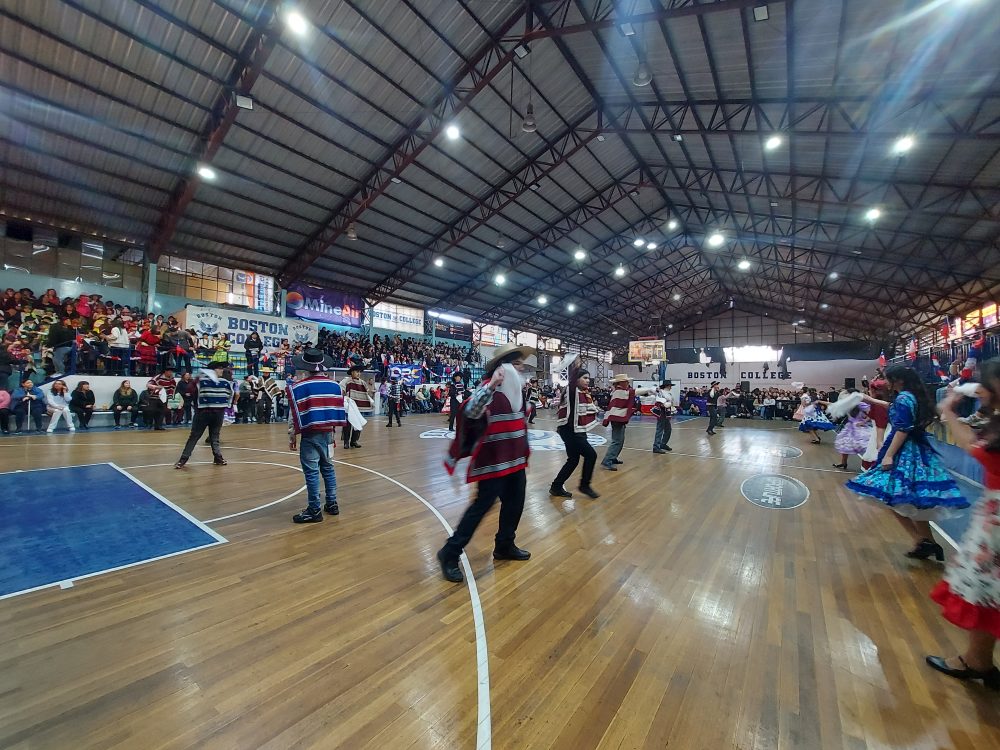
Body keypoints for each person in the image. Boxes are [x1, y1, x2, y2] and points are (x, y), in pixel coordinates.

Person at [927, 360, 1000, 689]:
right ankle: (978, 660)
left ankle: (976, 661)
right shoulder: (994, 417)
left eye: (987, 384)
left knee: (986, 588)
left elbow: (977, 449)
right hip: (992, 516)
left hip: (995, 523)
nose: (981, 390)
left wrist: (949, 411)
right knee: (988, 592)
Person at [846, 365, 969, 559]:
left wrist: (889, 455)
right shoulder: (909, 396)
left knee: (894, 498)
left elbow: (902, 428)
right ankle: (927, 542)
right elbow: (894, 409)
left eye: (887, 379)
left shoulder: (904, 398)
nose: (884, 382)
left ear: (898, 380)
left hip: (905, 451)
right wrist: (869, 399)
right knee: (913, 501)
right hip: (915, 449)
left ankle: (921, 540)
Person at [438, 342, 533, 582]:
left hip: (514, 460)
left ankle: (504, 545)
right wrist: (492, 385)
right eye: (517, 365)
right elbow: (470, 411)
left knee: (515, 503)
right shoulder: (487, 389)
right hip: (492, 462)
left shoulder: (516, 393)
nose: (521, 370)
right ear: (504, 367)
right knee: (481, 507)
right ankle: (449, 552)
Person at [287, 349, 346, 523]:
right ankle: (332, 503)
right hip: (328, 433)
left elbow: (294, 415)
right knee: (328, 468)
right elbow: (337, 411)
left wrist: (292, 436)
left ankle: (314, 509)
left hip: (310, 433)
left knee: (312, 472)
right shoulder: (335, 386)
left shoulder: (299, 387)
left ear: (306, 366)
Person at [551, 362, 600, 499]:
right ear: (576, 379)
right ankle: (584, 485)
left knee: (573, 459)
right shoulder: (571, 391)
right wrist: (575, 367)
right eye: (584, 377)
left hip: (576, 431)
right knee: (591, 455)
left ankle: (556, 486)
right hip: (570, 431)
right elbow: (572, 383)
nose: (587, 380)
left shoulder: (583, 393)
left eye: (588, 378)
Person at [174, 360, 235, 469]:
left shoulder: (201, 381)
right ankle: (184, 458)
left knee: (206, 436)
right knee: (202, 436)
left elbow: (189, 391)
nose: (222, 370)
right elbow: (231, 397)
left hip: (206, 413)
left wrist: (197, 378)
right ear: (213, 370)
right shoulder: (224, 383)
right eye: (219, 368)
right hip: (210, 413)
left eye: (222, 368)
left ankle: (216, 457)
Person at [601, 373, 647, 471]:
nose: (628, 383)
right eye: (626, 381)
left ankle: (613, 457)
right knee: (617, 441)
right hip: (617, 419)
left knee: (620, 441)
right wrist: (648, 390)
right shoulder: (619, 392)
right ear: (621, 383)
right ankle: (607, 460)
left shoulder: (620, 391)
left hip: (619, 419)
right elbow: (631, 393)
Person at [832, 394, 872, 470]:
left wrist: (864, 421)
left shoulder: (860, 404)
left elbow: (872, 413)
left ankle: (870, 464)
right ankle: (843, 462)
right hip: (850, 427)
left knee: (865, 444)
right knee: (845, 444)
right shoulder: (847, 404)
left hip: (859, 427)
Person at [339, 364, 372, 448]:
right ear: (352, 372)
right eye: (357, 372)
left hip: (359, 407)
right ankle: (346, 442)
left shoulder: (362, 383)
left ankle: (354, 441)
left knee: (358, 425)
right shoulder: (346, 381)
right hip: (349, 407)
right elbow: (341, 391)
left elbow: (367, 393)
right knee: (348, 425)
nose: (358, 373)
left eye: (360, 372)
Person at [652, 380, 674, 454]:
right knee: (660, 430)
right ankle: (656, 447)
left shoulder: (668, 393)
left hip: (666, 413)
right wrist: (667, 404)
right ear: (667, 386)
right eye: (670, 385)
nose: (671, 387)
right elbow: (660, 402)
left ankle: (663, 444)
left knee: (668, 429)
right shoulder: (660, 392)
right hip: (661, 412)